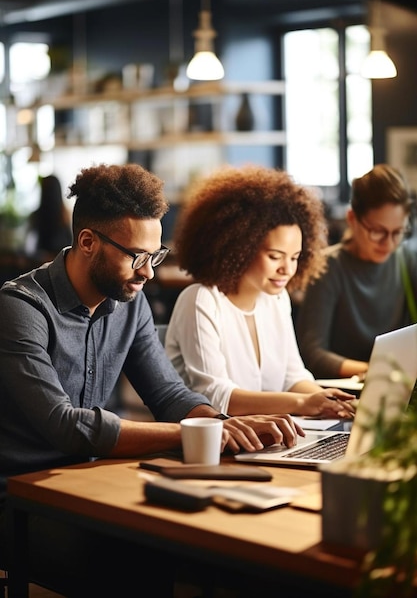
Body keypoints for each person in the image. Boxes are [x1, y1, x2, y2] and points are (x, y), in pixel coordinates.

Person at [0, 163, 303, 597]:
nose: (149, 273)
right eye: (137, 256)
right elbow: (65, 426)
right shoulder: (21, 309)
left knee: (208, 545)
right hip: (19, 501)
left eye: (156, 256)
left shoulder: (129, 302)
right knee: (139, 558)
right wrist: (195, 434)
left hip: (88, 482)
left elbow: (167, 393)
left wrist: (222, 425)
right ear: (87, 242)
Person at [165, 164, 355, 419]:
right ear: (240, 246)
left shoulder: (276, 299)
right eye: (275, 256)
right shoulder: (202, 300)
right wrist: (302, 403)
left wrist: (326, 399)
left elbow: (292, 377)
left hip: (265, 437)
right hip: (208, 446)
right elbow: (215, 396)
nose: (286, 269)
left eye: (295, 257)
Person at [295, 163, 417, 379]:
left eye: (398, 232)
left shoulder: (406, 259)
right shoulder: (329, 267)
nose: (388, 243)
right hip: (345, 394)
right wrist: (378, 372)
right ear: (352, 219)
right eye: (378, 232)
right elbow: (313, 353)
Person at [25, 173, 73, 261]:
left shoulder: (37, 215)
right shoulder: (66, 215)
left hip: (40, 262)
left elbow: (30, 246)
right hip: (63, 262)